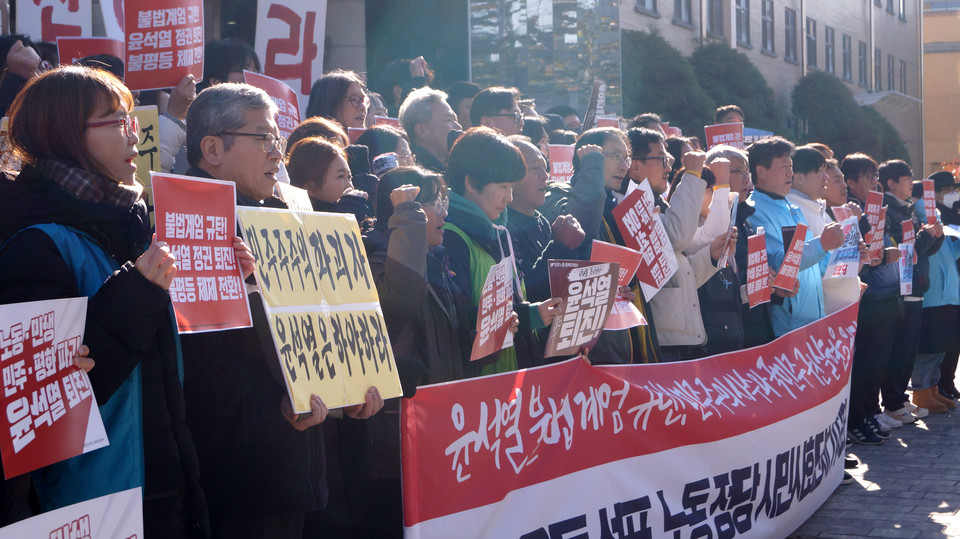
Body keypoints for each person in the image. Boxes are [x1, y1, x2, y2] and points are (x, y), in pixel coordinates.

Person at [0, 65, 220, 535]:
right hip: (85, 509)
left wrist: (230, 287)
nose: (134, 135)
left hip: (164, 495)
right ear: (65, 136)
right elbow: (44, 410)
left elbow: (166, 374)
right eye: (117, 122)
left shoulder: (130, 229)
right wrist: (137, 292)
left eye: (130, 119)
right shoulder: (34, 246)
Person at [180, 83, 383, 538]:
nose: (279, 153)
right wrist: (275, 408)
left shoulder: (285, 216)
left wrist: (348, 388)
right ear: (212, 148)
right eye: (264, 140)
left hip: (299, 464)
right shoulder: (192, 229)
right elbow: (199, 366)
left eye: (279, 139)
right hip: (241, 477)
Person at [443, 127, 560, 373]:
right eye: (503, 186)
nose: (509, 197)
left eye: (512, 187)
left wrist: (532, 315)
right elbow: (453, 320)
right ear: (471, 183)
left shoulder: (499, 232)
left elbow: (508, 305)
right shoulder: (451, 237)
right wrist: (522, 318)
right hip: (479, 390)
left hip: (510, 379)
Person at [746, 137, 843, 336]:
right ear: (761, 172)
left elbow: (813, 263)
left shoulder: (793, 207)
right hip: (787, 324)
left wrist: (846, 273)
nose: (790, 172)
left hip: (812, 318)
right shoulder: (754, 211)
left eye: (790, 166)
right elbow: (780, 263)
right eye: (783, 166)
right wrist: (822, 244)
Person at [839, 153, 903, 443]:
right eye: (868, 176)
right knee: (863, 360)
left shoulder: (877, 208)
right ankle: (856, 419)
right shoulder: (847, 212)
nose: (874, 182)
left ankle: (867, 414)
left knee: (878, 360)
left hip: (886, 290)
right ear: (851, 182)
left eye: (876, 175)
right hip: (866, 294)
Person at [879, 160, 942, 424]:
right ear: (891, 182)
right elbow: (907, 250)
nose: (911, 183)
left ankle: (901, 400)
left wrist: (934, 236)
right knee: (899, 348)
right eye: (906, 179)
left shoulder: (908, 209)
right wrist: (927, 237)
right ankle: (893, 403)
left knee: (908, 348)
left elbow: (920, 250)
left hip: (915, 283)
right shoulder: (888, 210)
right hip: (901, 286)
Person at [505, 137, 585, 303]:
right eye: (534, 168)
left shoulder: (542, 222)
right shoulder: (502, 228)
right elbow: (526, 295)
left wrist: (611, 291)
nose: (544, 176)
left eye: (545, 167)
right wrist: (560, 246)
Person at [910, 170, 960, 416]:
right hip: (932, 293)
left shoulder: (937, 214)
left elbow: (952, 252)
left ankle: (933, 390)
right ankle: (921, 392)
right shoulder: (921, 211)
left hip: (948, 292)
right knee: (929, 346)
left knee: (941, 345)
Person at [285, 137, 371, 227]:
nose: (350, 186)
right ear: (310, 187)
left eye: (349, 177)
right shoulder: (295, 226)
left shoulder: (357, 211)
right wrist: (344, 220)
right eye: (340, 176)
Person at [398, 87, 461, 173]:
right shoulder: (415, 177)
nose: (459, 127)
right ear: (422, 131)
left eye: (456, 120)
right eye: (448, 120)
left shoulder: (456, 169)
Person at [305, 70, 370, 129]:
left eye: (364, 100)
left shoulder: (367, 140)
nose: (363, 107)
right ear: (330, 104)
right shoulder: (314, 141)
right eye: (354, 99)